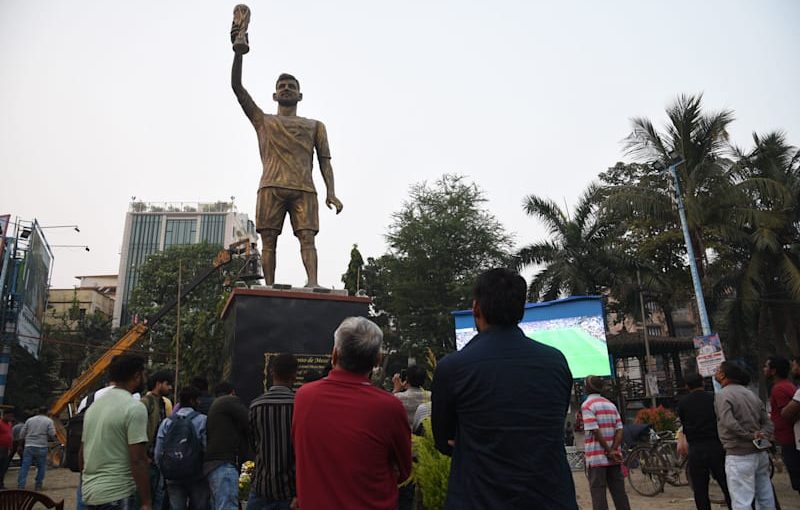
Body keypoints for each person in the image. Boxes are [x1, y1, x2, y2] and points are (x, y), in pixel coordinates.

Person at [431, 268, 578, 509]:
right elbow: (553, 421)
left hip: (478, 499)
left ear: (476, 308)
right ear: (520, 310)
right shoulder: (555, 361)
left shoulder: (452, 368)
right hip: (551, 497)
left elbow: (443, 442)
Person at [230, 9, 343, 288]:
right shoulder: (263, 121)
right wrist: (238, 53)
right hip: (271, 186)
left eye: (292, 86)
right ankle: (269, 284)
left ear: (300, 95)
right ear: (274, 94)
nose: (287, 88)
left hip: (304, 188)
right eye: (282, 86)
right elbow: (237, 88)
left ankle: (313, 281)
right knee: (269, 239)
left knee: (308, 237)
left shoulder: (315, 125)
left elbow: (325, 162)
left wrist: (331, 192)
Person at [293, 317, 412, 510]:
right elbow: (405, 471)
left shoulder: (304, 397)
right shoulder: (389, 407)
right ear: (377, 360)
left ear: (334, 355)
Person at [81, 354, 152, 510]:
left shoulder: (93, 408)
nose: (146, 379)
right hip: (118, 494)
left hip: (90, 494)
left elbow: (82, 454)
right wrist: (146, 501)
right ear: (136, 376)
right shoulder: (134, 407)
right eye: (144, 374)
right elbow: (137, 459)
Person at [714, 361, 775, 509]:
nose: (715, 372)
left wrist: (750, 435)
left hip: (738, 454)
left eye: (718, 370)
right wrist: (761, 435)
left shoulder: (723, 395)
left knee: (742, 500)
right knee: (765, 495)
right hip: (760, 453)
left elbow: (729, 423)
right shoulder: (750, 394)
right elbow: (768, 422)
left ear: (723, 375)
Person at [248, 353, 298, 510]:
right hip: (290, 493)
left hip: (261, 489)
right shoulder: (298, 406)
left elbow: (253, 445)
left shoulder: (256, 406)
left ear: (271, 372)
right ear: (295, 375)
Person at [676, 372, 732, 510]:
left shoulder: (683, 403)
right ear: (703, 383)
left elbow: (684, 423)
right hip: (716, 445)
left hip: (696, 448)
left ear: (687, 386)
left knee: (700, 489)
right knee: (726, 484)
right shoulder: (714, 398)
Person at [155, 386, 209, 510]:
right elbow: (205, 447)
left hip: (172, 474)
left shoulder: (167, 422)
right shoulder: (202, 420)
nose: (199, 402)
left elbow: (158, 452)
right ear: (192, 401)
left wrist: (165, 470)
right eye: (197, 400)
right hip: (196, 475)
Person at [581, 376, 631, 510]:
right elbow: (620, 429)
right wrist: (613, 450)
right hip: (614, 458)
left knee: (598, 494)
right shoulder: (611, 405)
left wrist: (608, 450)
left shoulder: (587, 405)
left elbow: (595, 431)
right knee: (619, 493)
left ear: (588, 388)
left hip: (597, 459)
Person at [205, 382, 249, 510]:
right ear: (233, 392)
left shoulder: (216, 406)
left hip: (213, 466)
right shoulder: (229, 401)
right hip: (224, 466)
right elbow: (249, 421)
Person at [764, 356, 800, 495]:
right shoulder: (789, 385)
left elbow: (787, 414)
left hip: (789, 439)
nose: (764, 369)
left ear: (773, 371)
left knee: (796, 476)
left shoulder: (778, 389)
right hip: (788, 437)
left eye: (767, 366)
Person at [141, 370, 174, 510]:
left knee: (158, 500)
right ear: (158, 384)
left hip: (158, 460)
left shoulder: (162, 403)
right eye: (168, 384)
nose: (170, 388)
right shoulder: (146, 403)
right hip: (148, 460)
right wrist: (144, 456)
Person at [16, 406, 56, 490]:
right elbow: (52, 433)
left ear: (38, 411)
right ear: (47, 412)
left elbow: (22, 433)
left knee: (25, 466)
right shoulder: (49, 421)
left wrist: (20, 445)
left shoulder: (29, 420)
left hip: (29, 445)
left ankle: (21, 485)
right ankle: (38, 485)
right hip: (41, 445)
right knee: (41, 467)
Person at [0, 409, 14, 489]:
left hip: (6, 448)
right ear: (4, 415)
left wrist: (11, 446)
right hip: (0, 447)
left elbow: (10, 435)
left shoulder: (9, 424)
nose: (10, 418)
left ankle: (1, 484)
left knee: (4, 467)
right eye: (9, 416)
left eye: (11, 416)